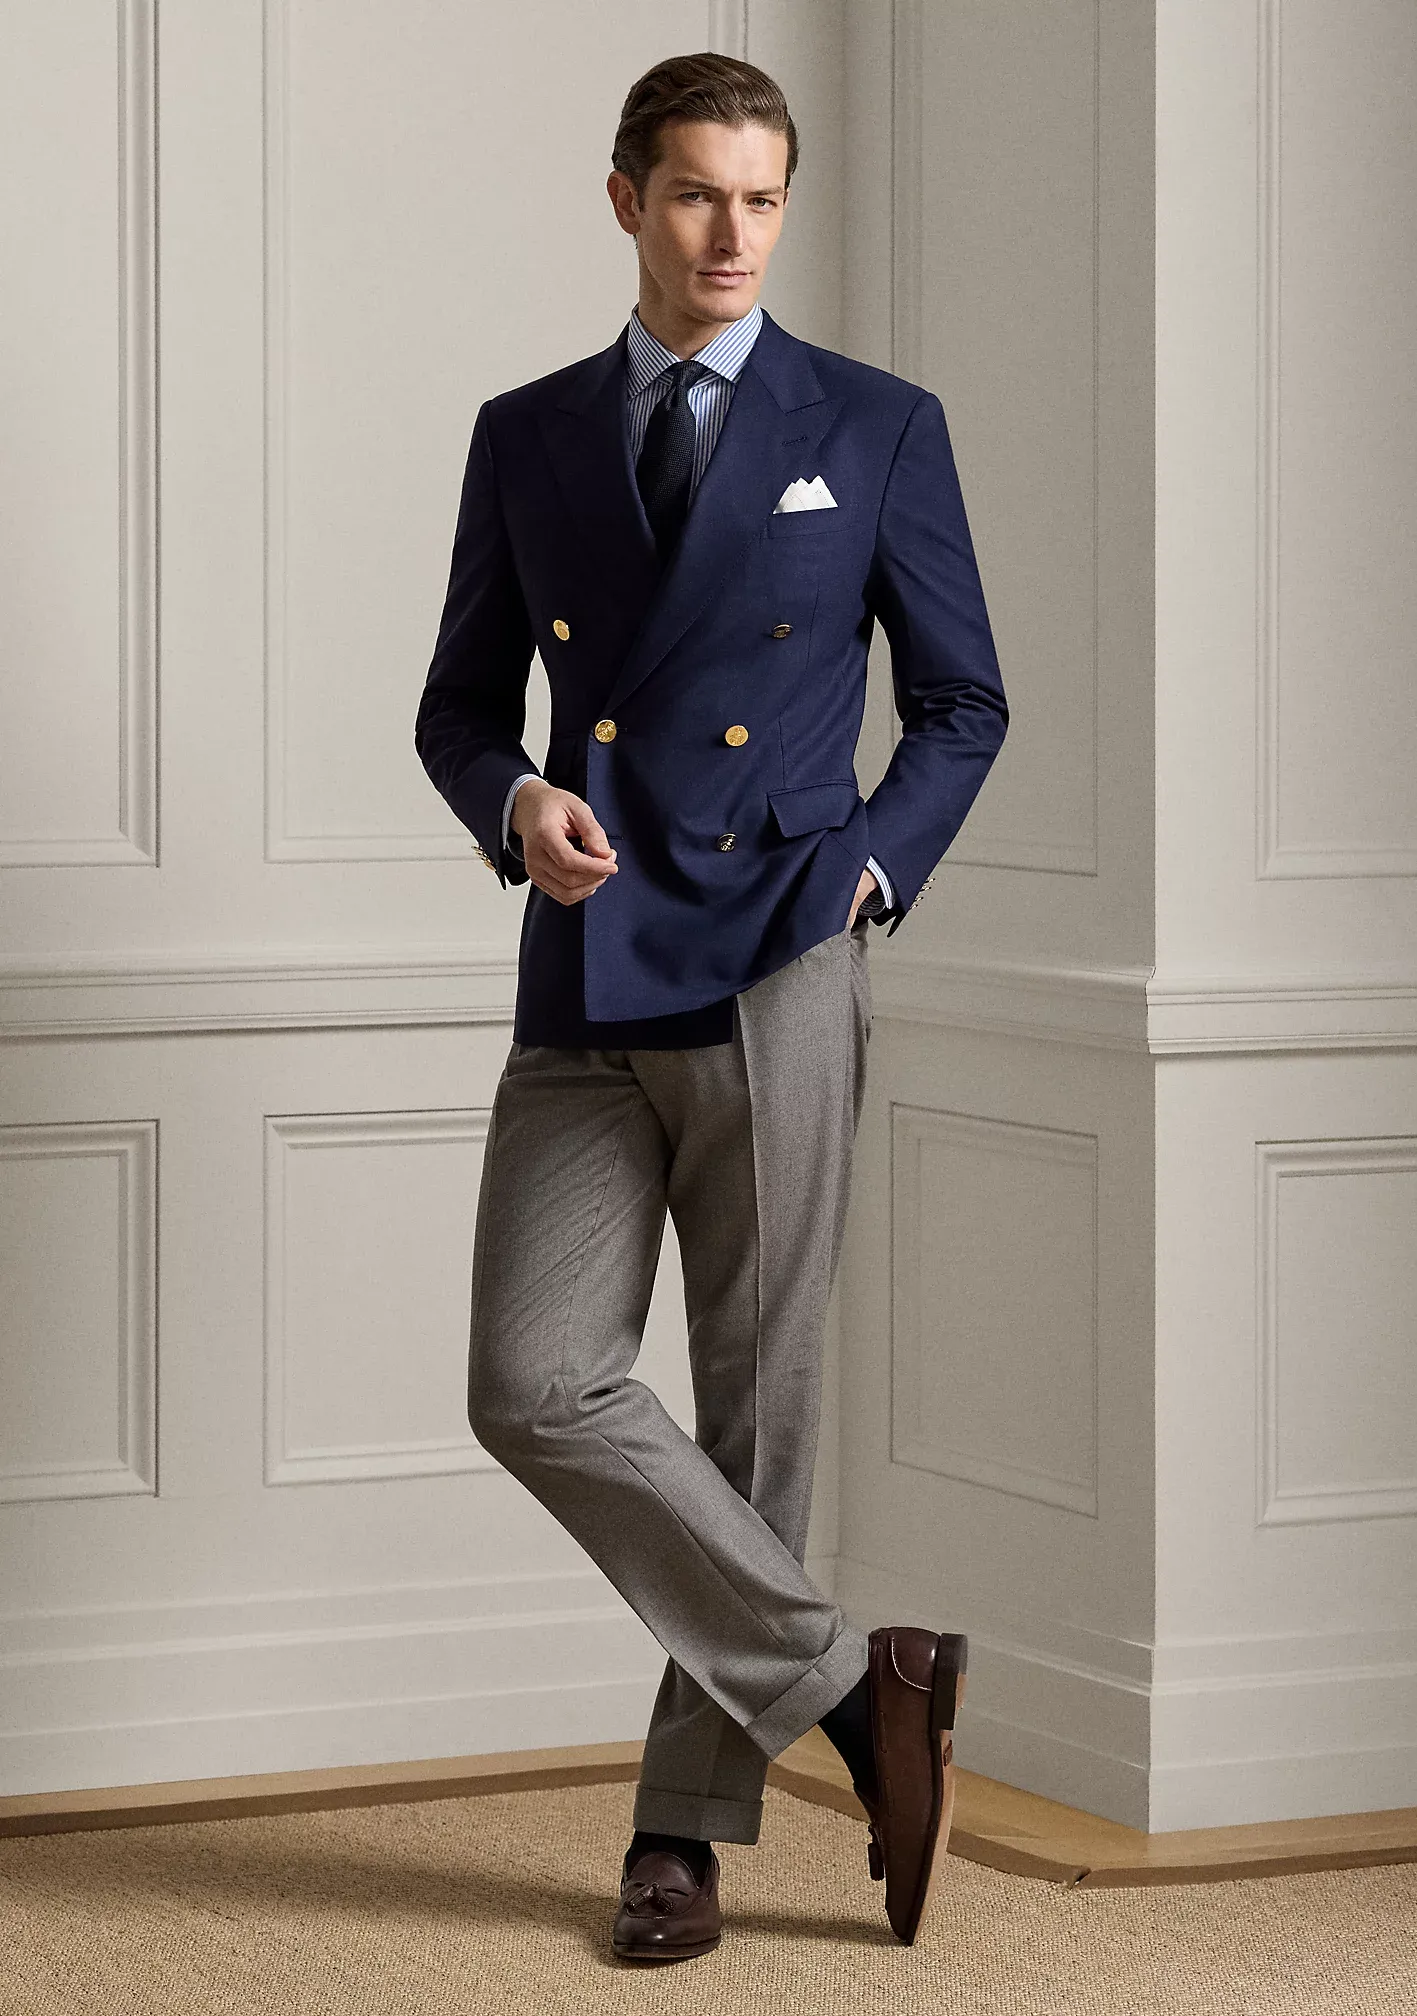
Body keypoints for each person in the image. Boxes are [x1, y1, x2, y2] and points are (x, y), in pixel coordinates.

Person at [415, 50, 1008, 1964]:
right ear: (626, 201)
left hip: (777, 951)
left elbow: (964, 701)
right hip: (588, 967)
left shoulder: (877, 424)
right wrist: (518, 801)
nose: (731, 235)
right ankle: (855, 1687)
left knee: (760, 1414)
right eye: (694, 194)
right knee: (535, 1382)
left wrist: (868, 869)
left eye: (760, 198)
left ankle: (682, 1835)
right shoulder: (528, 431)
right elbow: (456, 706)